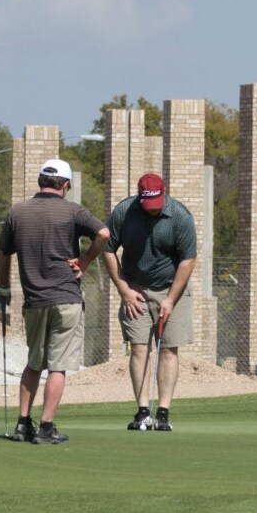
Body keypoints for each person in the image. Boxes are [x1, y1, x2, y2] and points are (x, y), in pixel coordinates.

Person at [0, 158, 109, 445]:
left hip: (33, 300)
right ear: (66, 185)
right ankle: (45, 428)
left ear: (40, 181)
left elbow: (3, 254)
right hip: (66, 298)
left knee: (34, 363)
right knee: (57, 366)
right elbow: (104, 233)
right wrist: (85, 260)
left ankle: (23, 424)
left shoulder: (17, 212)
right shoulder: (73, 211)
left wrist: (4, 287)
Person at [103, 173, 197, 432]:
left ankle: (163, 412)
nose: (152, 211)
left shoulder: (179, 216)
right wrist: (123, 289)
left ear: (164, 194)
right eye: (147, 206)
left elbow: (188, 260)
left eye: (156, 205)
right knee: (138, 348)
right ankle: (143, 412)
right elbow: (107, 249)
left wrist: (170, 299)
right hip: (135, 289)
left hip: (172, 288)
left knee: (169, 349)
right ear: (139, 197)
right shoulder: (124, 212)